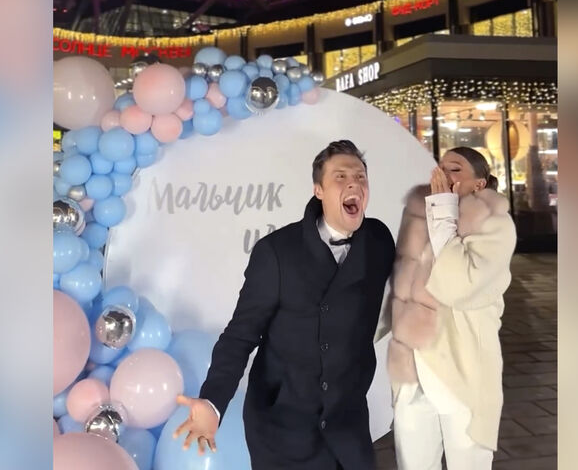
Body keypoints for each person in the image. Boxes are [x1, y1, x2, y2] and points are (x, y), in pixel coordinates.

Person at [173, 140, 396, 470]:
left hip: (347, 425)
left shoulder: (378, 241)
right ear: (318, 190)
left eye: (360, 177)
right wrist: (213, 401)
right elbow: (240, 336)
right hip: (283, 428)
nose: (354, 184)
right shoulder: (277, 252)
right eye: (340, 176)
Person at [386, 146, 516, 470]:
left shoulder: (496, 226)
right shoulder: (420, 217)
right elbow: (399, 284)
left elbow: (459, 283)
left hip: (463, 367)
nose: (443, 175)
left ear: (479, 184)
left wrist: (443, 207)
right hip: (414, 368)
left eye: (454, 169)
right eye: (440, 168)